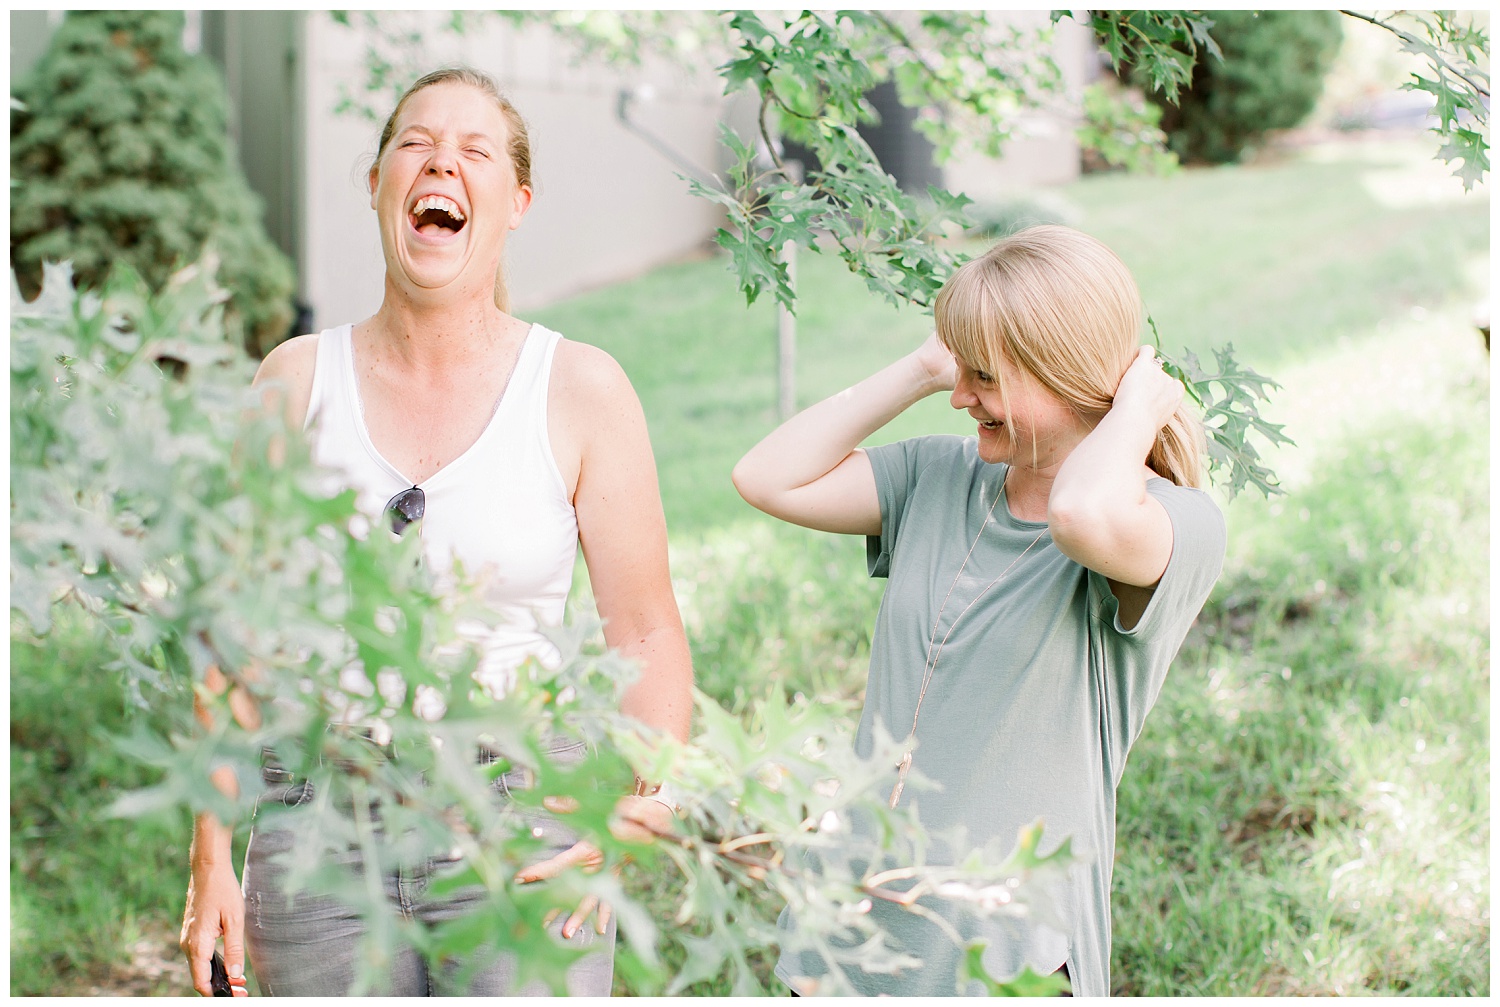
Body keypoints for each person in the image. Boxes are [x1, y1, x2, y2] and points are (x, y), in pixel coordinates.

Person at [178, 66, 693, 996]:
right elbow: (231, 628)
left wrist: (643, 802)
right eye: (414, 142)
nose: (440, 162)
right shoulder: (293, 383)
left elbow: (645, 628)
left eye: (475, 150)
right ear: (378, 183)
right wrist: (211, 851)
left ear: (517, 201)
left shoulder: (580, 389)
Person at [732, 225, 1226, 997]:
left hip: (1002, 949)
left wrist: (1137, 406)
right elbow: (766, 477)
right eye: (959, 371)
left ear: (1065, 374)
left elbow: (1080, 516)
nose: (962, 397)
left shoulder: (1171, 524)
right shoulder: (938, 476)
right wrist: (923, 367)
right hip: (856, 918)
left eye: (984, 377)